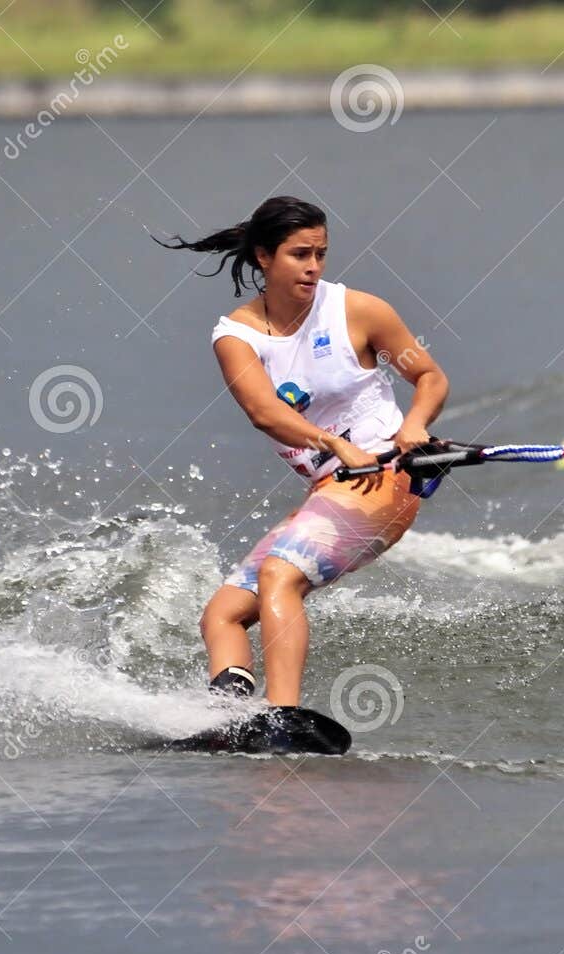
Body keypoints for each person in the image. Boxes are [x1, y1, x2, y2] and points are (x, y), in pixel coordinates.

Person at [155, 196, 448, 708]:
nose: (313, 267)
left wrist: (414, 425)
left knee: (279, 574)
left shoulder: (358, 311)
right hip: (327, 488)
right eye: (299, 254)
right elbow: (265, 413)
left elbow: (428, 375)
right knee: (222, 614)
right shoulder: (237, 336)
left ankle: (282, 714)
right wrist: (333, 443)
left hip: (383, 480)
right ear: (264, 257)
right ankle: (231, 710)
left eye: (321, 254)